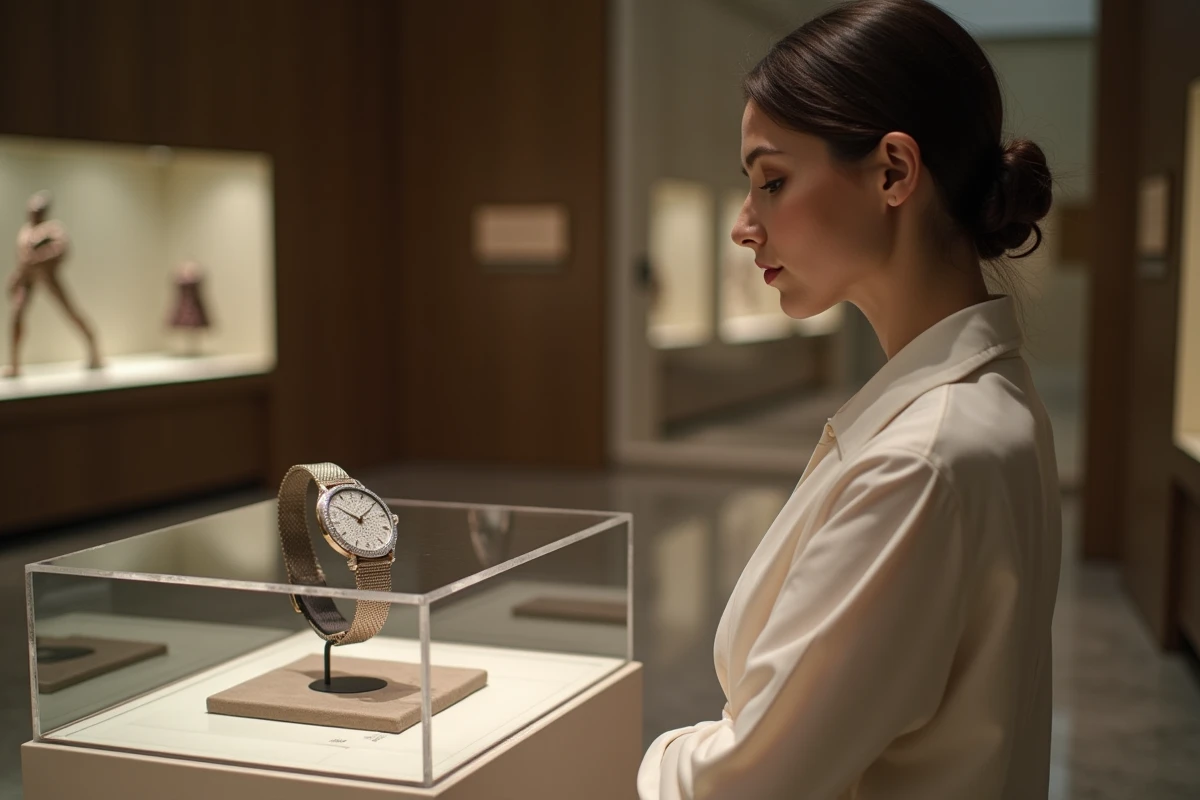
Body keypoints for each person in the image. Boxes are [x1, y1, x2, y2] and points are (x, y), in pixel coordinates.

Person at [637, 1, 1061, 798]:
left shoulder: (924, 457)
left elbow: (746, 787)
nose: (743, 225)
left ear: (894, 172)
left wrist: (646, 757)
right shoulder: (983, 400)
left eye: (773, 181)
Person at [5, 191, 102, 377]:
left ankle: (94, 349)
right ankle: (15, 365)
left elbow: (61, 251)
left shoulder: (53, 229)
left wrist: (38, 259)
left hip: (48, 276)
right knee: (17, 315)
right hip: (27, 279)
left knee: (71, 311)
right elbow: (22, 259)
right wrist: (17, 277)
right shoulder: (26, 231)